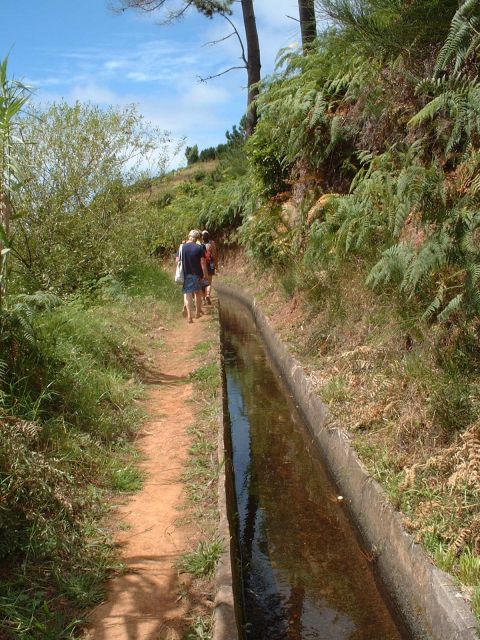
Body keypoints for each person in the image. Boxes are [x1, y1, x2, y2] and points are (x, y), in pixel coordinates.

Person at [180, 229, 208, 323]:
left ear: (189, 237)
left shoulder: (182, 247)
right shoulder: (199, 248)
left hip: (186, 274)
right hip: (197, 274)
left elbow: (178, 261)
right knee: (197, 293)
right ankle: (197, 313)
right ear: (197, 238)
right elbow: (203, 262)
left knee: (187, 294)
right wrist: (205, 274)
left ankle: (189, 316)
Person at [201, 230, 217, 305]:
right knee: (209, 282)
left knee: (204, 280)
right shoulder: (211, 244)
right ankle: (208, 295)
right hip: (211, 264)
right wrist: (216, 265)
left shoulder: (201, 245)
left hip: (203, 264)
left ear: (202, 238)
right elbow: (214, 255)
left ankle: (203, 298)